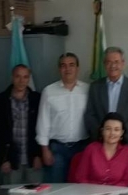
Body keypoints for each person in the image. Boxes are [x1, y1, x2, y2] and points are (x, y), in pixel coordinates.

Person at [36, 53, 89, 183]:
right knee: (56, 189)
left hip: (81, 148)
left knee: (80, 189)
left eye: (71, 65)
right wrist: (44, 150)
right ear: (59, 69)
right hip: (57, 149)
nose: (68, 69)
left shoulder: (88, 89)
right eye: (63, 65)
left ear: (77, 68)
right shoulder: (49, 91)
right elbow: (43, 122)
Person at [85, 47, 128, 152]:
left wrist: (120, 136)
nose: (113, 66)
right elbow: (90, 114)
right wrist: (102, 135)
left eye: (116, 62)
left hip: (127, 143)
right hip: (100, 144)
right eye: (109, 62)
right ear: (104, 65)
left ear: (123, 63)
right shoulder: (95, 87)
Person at [0, 64, 42, 185]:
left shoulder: (37, 99)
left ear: (29, 78)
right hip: (10, 161)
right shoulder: (0, 100)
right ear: (12, 77)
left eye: (25, 77)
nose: (21, 81)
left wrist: (39, 155)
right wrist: (2, 159)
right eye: (18, 76)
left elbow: (43, 129)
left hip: (33, 159)